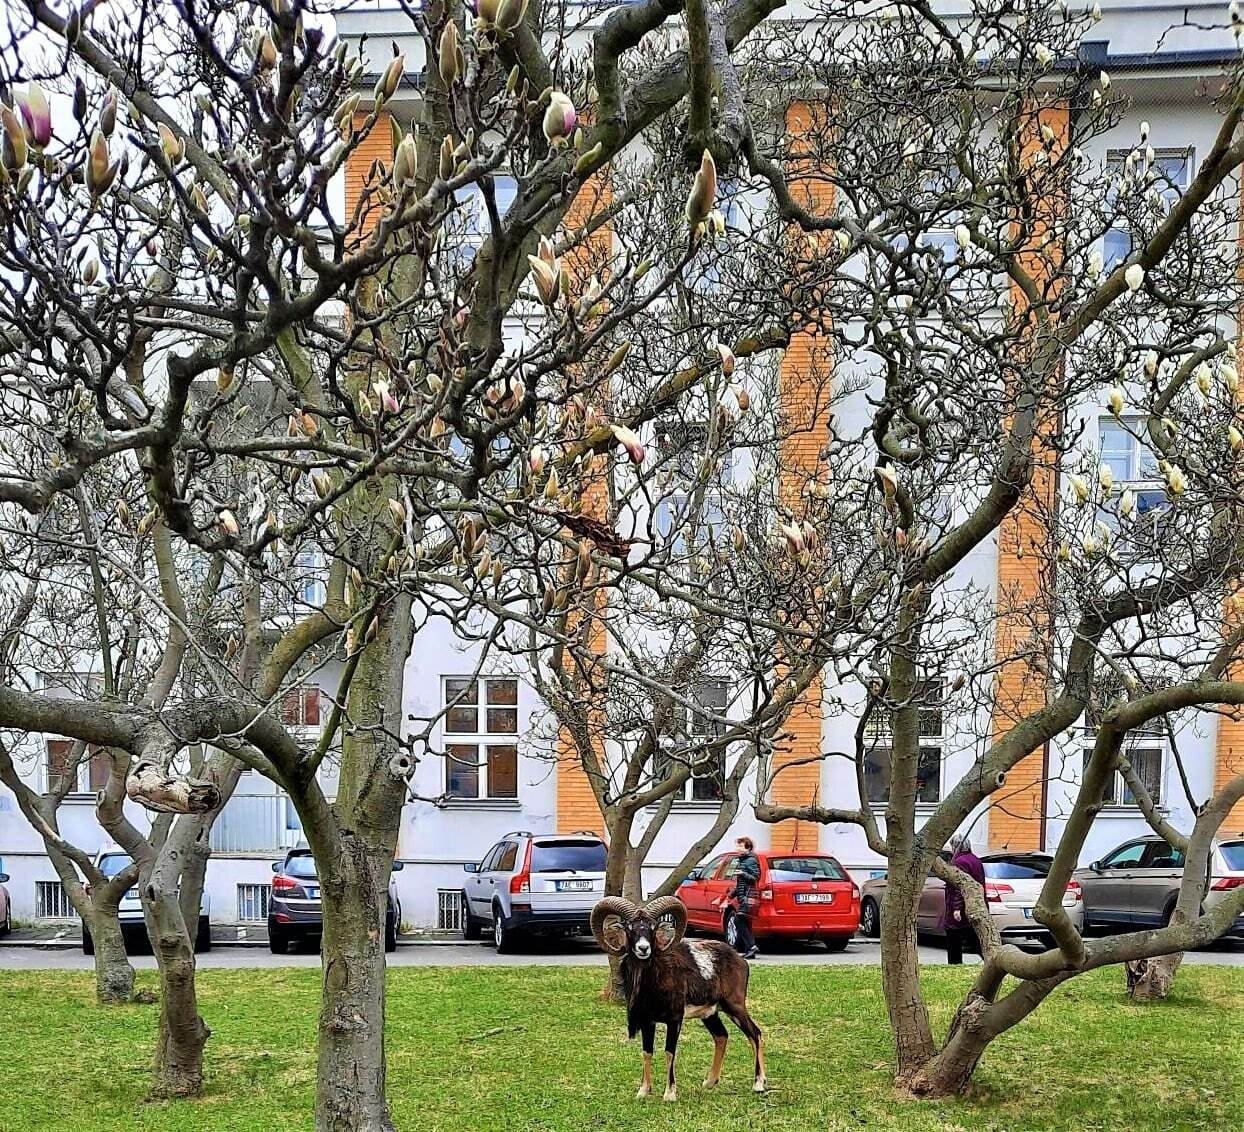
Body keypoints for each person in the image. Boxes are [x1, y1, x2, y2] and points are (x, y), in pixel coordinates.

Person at [943, 834, 986, 965]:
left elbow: (959, 886)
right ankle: (990, 961)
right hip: (975, 905)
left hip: (962, 907)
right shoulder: (975, 860)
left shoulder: (959, 862)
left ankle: (954, 964)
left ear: (956, 846)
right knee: (976, 937)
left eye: (952, 847)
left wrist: (956, 908)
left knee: (953, 935)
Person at [729, 836, 761, 959]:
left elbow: (755, 878)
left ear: (748, 847)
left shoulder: (751, 860)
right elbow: (741, 883)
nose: (737, 848)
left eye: (740, 846)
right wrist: (732, 895)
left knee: (739, 920)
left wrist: (743, 873)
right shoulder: (742, 860)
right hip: (743, 896)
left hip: (749, 897)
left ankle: (751, 946)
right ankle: (750, 949)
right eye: (737, 845)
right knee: (745, 922)